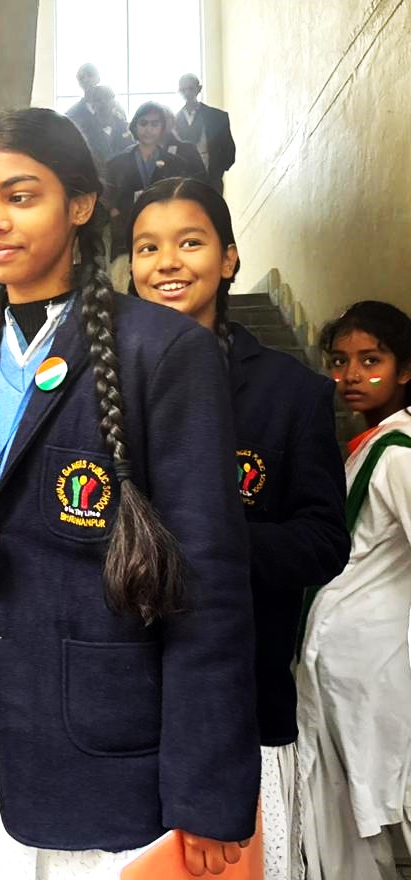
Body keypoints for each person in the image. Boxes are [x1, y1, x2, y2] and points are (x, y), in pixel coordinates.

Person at [0, 108, 259, 879]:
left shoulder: (163, 352)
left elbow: (209, 584)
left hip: (101, 741)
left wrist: (206, 793)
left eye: (20, 196)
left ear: (82, 204)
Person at [128, 177, 350, 880]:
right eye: (147, 247)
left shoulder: (292, 393)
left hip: (242, 698)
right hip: (116, 701)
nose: (167, 262)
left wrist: (207, 545)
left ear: (228, 258)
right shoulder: (95, 383)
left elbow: (323, 540)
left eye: (190, 242)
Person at [297, 300, 411, 880]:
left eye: (371, 361)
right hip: (343, 664)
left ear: (405, 369)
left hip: (376, 663)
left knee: (385, 798)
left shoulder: (400, 455)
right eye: (340, 361)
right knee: (356, 805)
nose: (351, 375)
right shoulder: (370, 444)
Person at [104, 102, 187, 288]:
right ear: (134, 126)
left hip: (165, 234)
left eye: (155, 124)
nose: (148, 129)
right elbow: (107, 199)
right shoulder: (116, 164)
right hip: (125, 237)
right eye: (143, 123)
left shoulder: (176, 164)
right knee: (122, 288)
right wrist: (115, 211)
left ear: (162, 128)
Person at [175, 74, 236, 194]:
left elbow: (228, 147)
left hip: (212, 176)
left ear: (199, 89)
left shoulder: (218, 117)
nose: (187, 93)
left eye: (190, 88)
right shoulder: (173, 121)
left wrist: (218, 170)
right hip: (184, 179)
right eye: (183, 90)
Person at [69, 84, 132, 178]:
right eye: (98, 99)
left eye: (107, 98)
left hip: (123, 178)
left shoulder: (127, 128)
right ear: (92, 105)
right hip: (94, 178)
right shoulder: (83, 130)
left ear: (114, 103)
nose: (103, 102)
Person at [160, 106, 206, 181]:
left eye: (165, 118)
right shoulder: (142, 151)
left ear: (173, 122)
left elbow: (201, 180)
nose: (161, 123)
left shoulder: (188, 149)